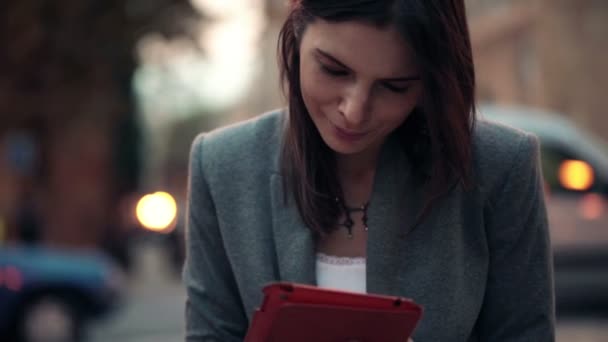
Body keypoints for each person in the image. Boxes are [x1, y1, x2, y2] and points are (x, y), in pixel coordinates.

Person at [183, 0, 555, 341]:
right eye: (334, 70)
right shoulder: (221, 165)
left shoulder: (499, 167)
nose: (354, 111)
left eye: (394, 87)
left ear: (430, 81)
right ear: (295, 33)